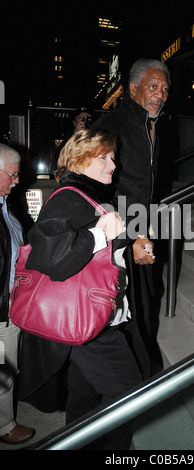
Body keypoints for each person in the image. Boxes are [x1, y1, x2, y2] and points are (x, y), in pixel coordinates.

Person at [18, 129, 144, 446]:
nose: (113, 164)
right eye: (103, 157)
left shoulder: (87, 197)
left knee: (83, 396)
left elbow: (93, 244)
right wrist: (100, 234)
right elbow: (51, 256)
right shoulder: (69, 197)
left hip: (85, 322)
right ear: (79, 158)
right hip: (89, 325)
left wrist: (132, 239)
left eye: (113, 157)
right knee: (130, 395)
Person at [91, 58, 170, 374]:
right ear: (133, 88)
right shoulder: (112, 126)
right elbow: (89, 182)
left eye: (164, 89)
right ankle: (138, 374)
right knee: (130, 304)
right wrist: (123, 231)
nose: (160, 95)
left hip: (143, 224)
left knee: (148, 295)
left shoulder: (151, 126)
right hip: (122, 230)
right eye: (153, 87)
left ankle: (144, 367)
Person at [0, 143, 35, 444]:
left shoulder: (7, 208)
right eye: (11, 175)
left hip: (11, 305)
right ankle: (4, 427)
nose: (16, 180)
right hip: (0, 312)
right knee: (3, 370)